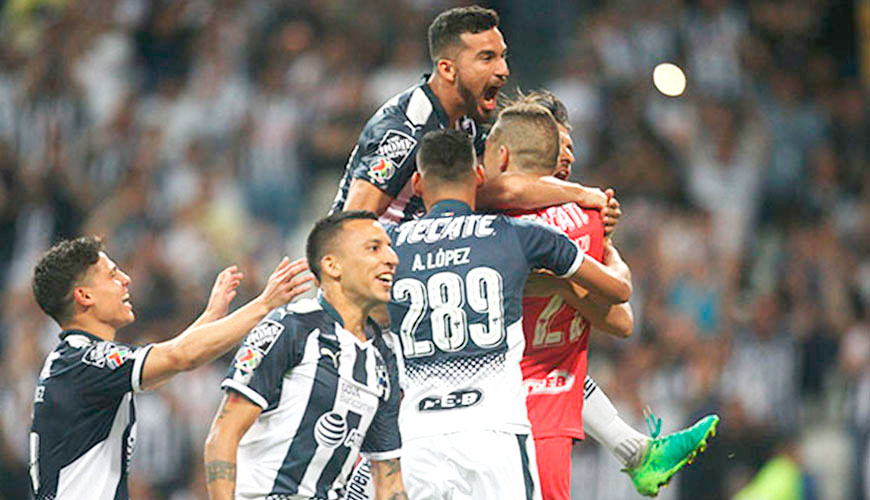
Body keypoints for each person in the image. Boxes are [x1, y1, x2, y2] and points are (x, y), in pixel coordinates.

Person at [387, 123, 631, 500]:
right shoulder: (520, 235)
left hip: (420, 436)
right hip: (495, 431)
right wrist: (606, 251)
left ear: (417, 184)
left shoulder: (388, 246)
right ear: (479, 176)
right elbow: (619, 290)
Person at [496, 91, 720, 498]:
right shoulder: (580, 216)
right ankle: (635, 450)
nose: (567, 155)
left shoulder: (493, 219)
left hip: (511, 391)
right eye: (557, 144)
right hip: (525, 397)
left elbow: (622, 321)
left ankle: (635, 450)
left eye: (569, 145)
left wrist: (570, 277)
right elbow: (622, 317)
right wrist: (587, 209)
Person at [28, 236, 313, 500]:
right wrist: (265, 304)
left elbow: (165, 366)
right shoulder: (87, 361)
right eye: (112, 275)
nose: (126, 279)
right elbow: (181, 356)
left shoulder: (74, 362)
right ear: (84, 296)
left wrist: (210, 316)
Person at [330, 5, 609, 226]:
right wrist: (581, 195)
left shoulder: (466, 122)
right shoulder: (406, 129)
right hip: (388, 271)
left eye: (503, 56)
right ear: (447, 69)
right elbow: (352, 223)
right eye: (487, 58)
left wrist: (587, 208)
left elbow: (502, 188)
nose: (503, 70)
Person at [203, 211, 408, 500]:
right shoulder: (290, 328)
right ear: (332, 265)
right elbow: (223, 434)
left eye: (389, 247)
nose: (392, 258)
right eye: (374, 248)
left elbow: (389, 478)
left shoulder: (382, 357)